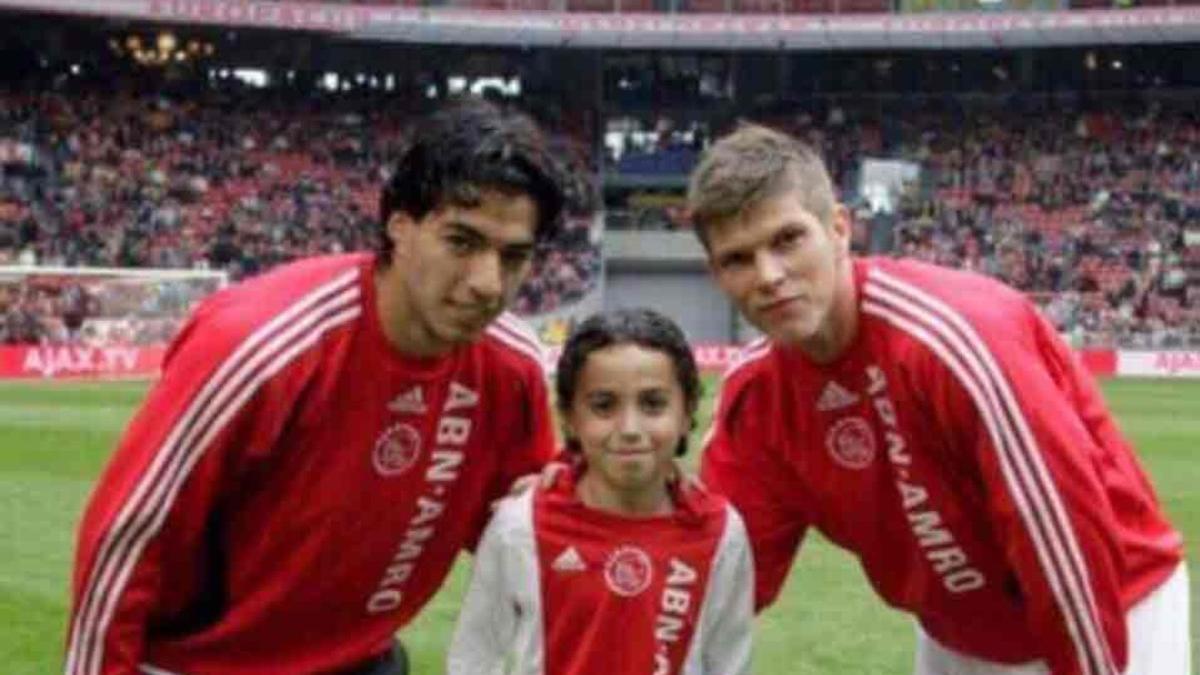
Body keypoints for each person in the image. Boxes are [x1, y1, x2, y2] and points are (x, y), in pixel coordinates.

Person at [65, 99, 569, 675]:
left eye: (514, 257)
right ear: (399, 227)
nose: (487, 282)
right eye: (462, 242)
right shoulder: (261, 344)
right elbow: (126, 539)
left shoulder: (510, 366)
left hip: (363, 661)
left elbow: (526, 542)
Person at [687, 124, 1188, 675]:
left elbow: (1063, 539)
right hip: (959, 634)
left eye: (787, 240)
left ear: (838, 228)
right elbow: (720, 581)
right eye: (738, 259)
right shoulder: (757, 398)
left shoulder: (956, 339)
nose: (769, 276)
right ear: (717, 275)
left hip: (1109, 607)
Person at [447, 308, 753, 675]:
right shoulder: (521, 524)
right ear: (570, 419)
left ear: (687, 412)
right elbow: (475, 656)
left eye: (653, 404)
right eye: (604, 406)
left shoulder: (721, 532)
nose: (629, 428)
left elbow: (729, 661)